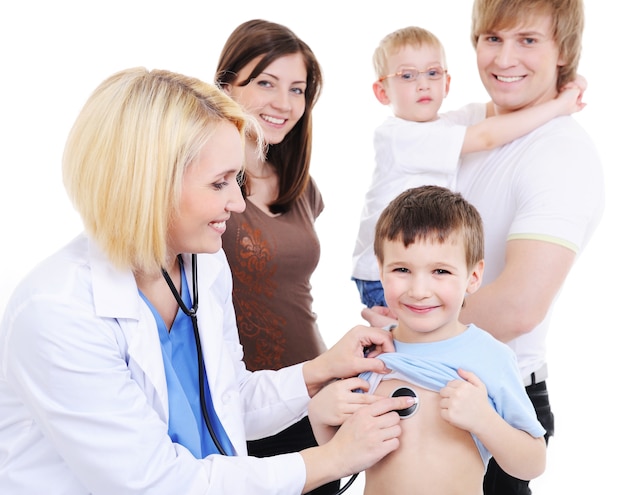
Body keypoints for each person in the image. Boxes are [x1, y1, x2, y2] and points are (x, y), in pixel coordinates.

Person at [0, 67, 417, 495]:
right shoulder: (57, 311)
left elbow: (225, 401)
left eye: (236, 180)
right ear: (148, 185)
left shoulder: (202, 266)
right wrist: (332, 459)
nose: (237, 203)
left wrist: (318, 371)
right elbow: (154, 483)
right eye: (219, 183)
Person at [362, 1, 605, 494]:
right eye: (492, 39)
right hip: (407, 377)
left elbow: (518, 306)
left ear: (565, 52)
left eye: (528, 41)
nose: (503, 58)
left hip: (486, 394)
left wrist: (400, 324)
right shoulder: (465, 125)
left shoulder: (561, 153)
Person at [314, 185, 546, 495]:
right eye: (402, 269)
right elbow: (344, 456)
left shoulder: (490, 357)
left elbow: (532, 463)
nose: (419, 289)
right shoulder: (367, 356)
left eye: (440, 271)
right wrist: (320, 416)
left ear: (473, 277)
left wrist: (484, 421)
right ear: (381, 273)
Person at [352, 25, 585, 309]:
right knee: (410, 345)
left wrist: (558, 85)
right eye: (407, 76)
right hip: (387, 274)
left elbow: (492, 112)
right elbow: (487, 135)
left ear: (446, 84)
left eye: (433, 73)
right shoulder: (400, 136)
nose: (423, 84)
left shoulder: (443, 125)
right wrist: (559, 105)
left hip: (415, 268)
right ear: (382, 92)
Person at [213, 19, 339, 494]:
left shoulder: (301, 188)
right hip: (243, 406)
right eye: (265, 83)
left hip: (312, 393)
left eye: (297, 89)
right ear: (227, 85)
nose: (284, 104)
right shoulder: (196, 184)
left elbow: (292, 293)